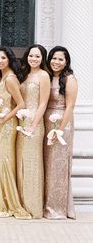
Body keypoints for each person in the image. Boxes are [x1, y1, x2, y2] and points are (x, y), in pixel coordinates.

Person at [0, 46, 31, 218]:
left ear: (9, 59)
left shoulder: (10, 78)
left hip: (7, 124)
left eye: (3, 58)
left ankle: (4, 203)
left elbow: (20, 104)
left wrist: (4, 119)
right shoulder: (1, 77)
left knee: (2, 161)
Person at [16, 44, 50, 218]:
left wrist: (33, 124)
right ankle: (20, 203)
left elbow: (43, 103)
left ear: (42, 58)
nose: (33, 59)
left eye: (37, 56)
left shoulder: (44, 76)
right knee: (21, 162)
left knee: (32, 163)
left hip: (34, 124)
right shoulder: (24, 73)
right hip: (20, 122)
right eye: (31, 56)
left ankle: (33, 207)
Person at [44, 46, 78, 219]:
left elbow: (70, 106)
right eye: (54, 58)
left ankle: (57, 208)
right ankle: (45, 203)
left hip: (62, 123)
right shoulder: (47, 77)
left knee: (58, 164)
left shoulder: (69, 79)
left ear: (66, 62)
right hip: (46, 122)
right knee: (47, 163)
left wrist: (59, 129)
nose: (56, 62)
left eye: (60, 59)